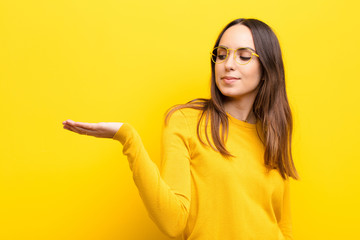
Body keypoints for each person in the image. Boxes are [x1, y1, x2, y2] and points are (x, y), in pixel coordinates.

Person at [62, 18, 300, 240]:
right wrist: (127, 136)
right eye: (221, 54)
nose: (228, 65)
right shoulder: (186, 122)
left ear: (267, 67)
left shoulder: (272, 133)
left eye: (244, 56)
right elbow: (173, 223)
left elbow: (283, 226)